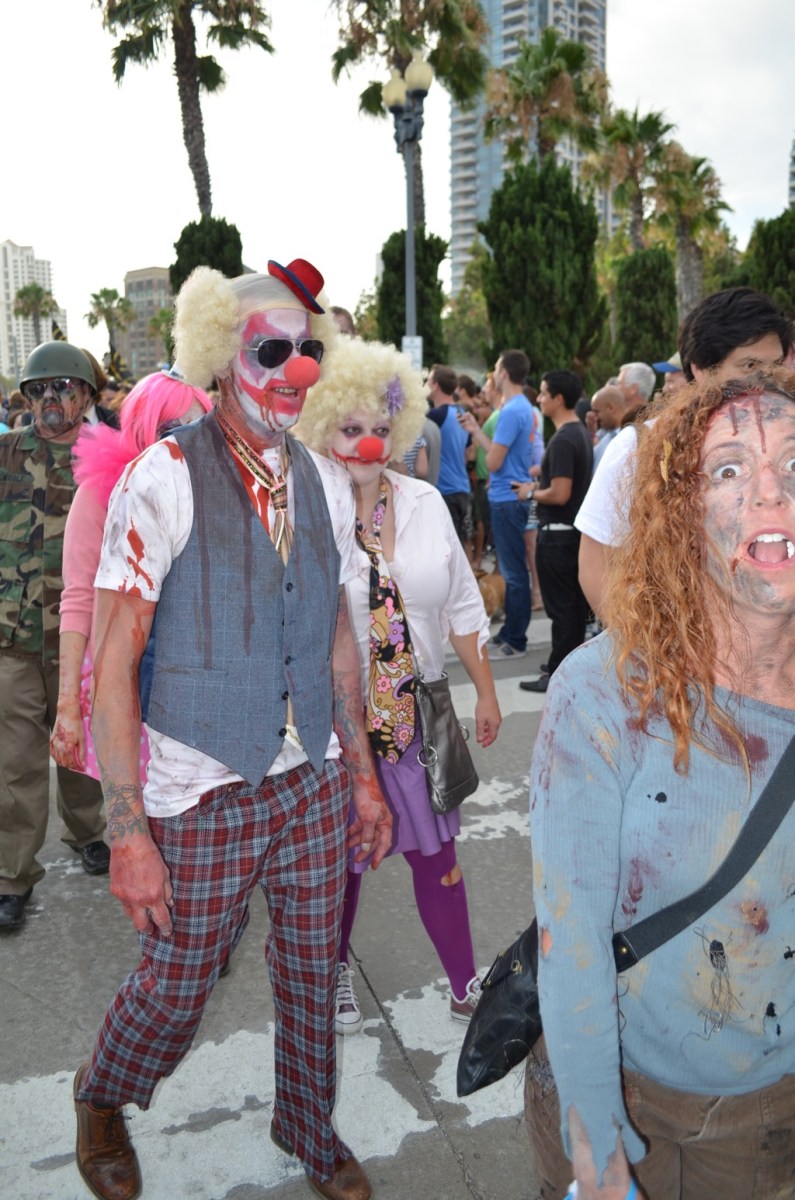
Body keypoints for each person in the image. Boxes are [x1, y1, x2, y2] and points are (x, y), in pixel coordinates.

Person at [72, 259, 391, 1200]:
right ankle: (103, 1093)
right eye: (270, 350)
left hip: (309, 776)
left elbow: (338, 642)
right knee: (180, 979)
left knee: (309, 967)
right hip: (197, 778)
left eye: (308, 351)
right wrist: (125, 829)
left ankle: (308, 1123)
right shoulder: (161, 479)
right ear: (221, 356)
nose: (294, 370)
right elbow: (114, 662)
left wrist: (362, 775)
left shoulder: (328, 484)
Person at [525, 367, 795, 1200]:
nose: (769, 494)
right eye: (727, 470)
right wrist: (598, 1150)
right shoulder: (602, 694)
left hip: (765, 1122)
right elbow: (567, 940)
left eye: (794, 464)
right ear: (680, 513)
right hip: (619, 1093)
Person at [296, 334, 501, 1034]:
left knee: (437, 854)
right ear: (322, 428)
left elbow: (461, 603)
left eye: (381, 429)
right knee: (344, 860)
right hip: (337, 724)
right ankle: (334, 976)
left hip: (420, 712)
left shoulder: (422, 503)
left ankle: (462, 979)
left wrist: (486, 689)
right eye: (351, 430)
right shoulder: (304, 513)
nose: (368, 444)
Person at [577, 287, 793, 616]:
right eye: (749, 365)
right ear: (701, 369)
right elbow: (596, 566)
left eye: (775, 365)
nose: (765, 380)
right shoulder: (639, 447)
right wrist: (643, 656)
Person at [50, 370, 213, 781]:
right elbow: (77, 599)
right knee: (140, 820)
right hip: (129, 687)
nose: (187, 442)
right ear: (143, 430)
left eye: (200, 428)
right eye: (172, 430)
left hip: (205, 690)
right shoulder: (102, 492)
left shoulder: (218, 491)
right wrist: (68, 702)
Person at [0, 342, 109, 932]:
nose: (51, 400)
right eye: (39, 390)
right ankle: (11, 875)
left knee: (79, 748)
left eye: (65, 388)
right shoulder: (5, 455)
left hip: (81, 641)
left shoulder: (107, 459)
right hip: (13, 639)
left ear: (86, 395)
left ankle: (89, 832)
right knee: (15, 762)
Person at [516, 370, 592, 692]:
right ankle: (564, 666)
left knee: (563, 610)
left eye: (544, 393)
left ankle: (559, 675)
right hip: (570, 535)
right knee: (571, 609)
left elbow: (560, 493)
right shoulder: (579, 433)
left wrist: (531, 492)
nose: (540, 398)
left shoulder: (564, 438)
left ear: (559, 399)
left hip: (559, 536)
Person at [461, 349, 535, 660]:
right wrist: (477, 431)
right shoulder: (521, 408)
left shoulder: (512, 410)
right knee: (511, 569)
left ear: (504, 373)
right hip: (508, 497)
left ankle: (515, 638)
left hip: (507, 499)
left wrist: (478, 434)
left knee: (514, 573)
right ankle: (510, 633)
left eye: (495, 368)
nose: (493, 374)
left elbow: (492, 462)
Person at [427, 363, 472, 542]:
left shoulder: (436, 416)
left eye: (428, 380)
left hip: (444, 489)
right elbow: (468, 453)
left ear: (436, 385)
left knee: (448, 544)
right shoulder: (462, 413)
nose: (426, 385)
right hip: (463, 486)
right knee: (464, 541)